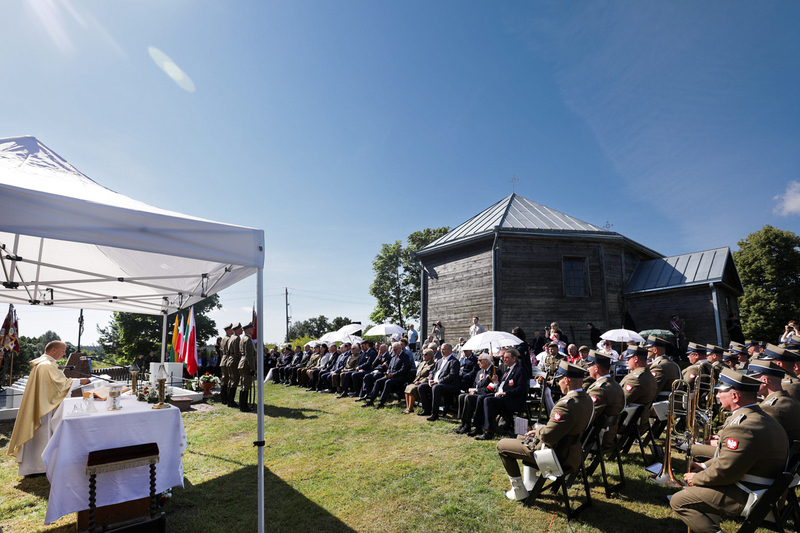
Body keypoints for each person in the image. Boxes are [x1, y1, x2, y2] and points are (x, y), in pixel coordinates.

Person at [670, 368, 788, 533]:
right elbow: (731, 457)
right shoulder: (760, 418)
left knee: (679, 500)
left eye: (720, 392)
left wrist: (696, 478)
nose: (717, 396)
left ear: (734, 396)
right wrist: (704, 467)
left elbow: (726, 471)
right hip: (764, 492)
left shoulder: (743, 426)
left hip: (750, 495)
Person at [495, 361, 593, 500]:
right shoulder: (586, 399)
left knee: (502, 446)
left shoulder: (565, 405)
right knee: (520, 437)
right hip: (573, 451)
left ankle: (519, 491)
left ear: (567, 380)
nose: (559, 384)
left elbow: (547, 436)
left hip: (555, 456)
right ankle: (530, 481)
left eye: (559, 380)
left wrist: (538, 428)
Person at [8, 341, 91, 476]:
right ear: (53, 350)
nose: (64, 354)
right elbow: (58, 385)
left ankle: (36, 466)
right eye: (63, 351)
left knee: (41, 436)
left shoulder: (45, 364)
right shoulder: (46, 365)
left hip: (43, 403)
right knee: (42, 436)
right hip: (44, 407)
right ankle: (39, 467)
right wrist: (80, 381)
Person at [471, 348, 529, 440]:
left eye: (507, 357)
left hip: (511, 399)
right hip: (501, 396)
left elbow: (521, 389)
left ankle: (489, 431)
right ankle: (478, 427)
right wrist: (496, 382)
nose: (504, 359)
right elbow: (501, 386)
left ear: (514, 359)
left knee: (488, 400)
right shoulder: (506, 371)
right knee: (481, 398)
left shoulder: (520, 370)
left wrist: (505, 393)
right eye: (503, 357)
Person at [454, 353, 496, 435]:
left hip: (485, 394)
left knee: (469, 398)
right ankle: (463, 422)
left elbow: (490, 388)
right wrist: (472, 390)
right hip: (477, 393)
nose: (478, 363)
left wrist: (476, 390)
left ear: (487, 361)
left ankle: (469, 425)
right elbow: (474, 384)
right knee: (461, 396)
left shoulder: (494, 371)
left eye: (480, 360)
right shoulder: (480, 371)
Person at [417, 343, 461, 421]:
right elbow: (433, 372)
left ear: (450, 350)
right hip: (436, 383)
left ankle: (435, 414)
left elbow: (452, 376)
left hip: (448, 386)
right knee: (422, 387)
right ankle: (427, 409)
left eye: (443, 349)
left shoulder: (454, 362)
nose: (441, 351)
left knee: (436, 388)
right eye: (441, 349)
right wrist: (430, 380)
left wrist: (438, 381)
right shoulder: (440, 361)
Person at [403, 348, 436, 414]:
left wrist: (421, 382)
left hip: (424, 383)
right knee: (408, 387)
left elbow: (429, 376)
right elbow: (418, 373)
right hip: (417, 381)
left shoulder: (433, 364)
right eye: (423, 354)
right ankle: (408, 407)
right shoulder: (422, 363)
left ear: (430, 356)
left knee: (412, 389)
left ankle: (410, 408)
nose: (423, 356)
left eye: (425, 354)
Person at [237, 322, 257, 412]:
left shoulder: (242, 339)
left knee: (244, 385)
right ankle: (243, 406)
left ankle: (243, 405)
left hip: (242, 363)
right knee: (246, 385)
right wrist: (252, 368)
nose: (253, 330)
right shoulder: (248, 339)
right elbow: (249, 355)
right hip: (246, 364)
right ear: (248, 329)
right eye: (252, 328)